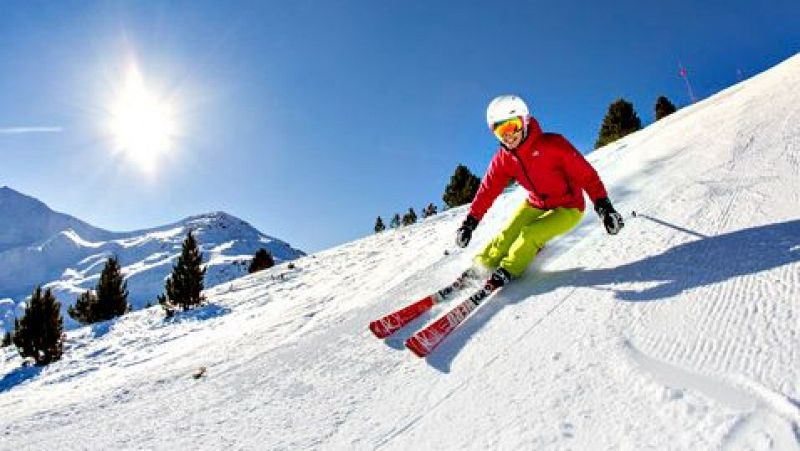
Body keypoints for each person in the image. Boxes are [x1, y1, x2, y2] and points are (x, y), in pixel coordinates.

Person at [456, 95, 624, 289]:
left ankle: (510, 268)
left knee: (531, 233)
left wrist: (605, 207)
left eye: (512, 126)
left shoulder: (553, 145)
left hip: (568, 207)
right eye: (500, 131)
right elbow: (487, 191)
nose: (508, 135)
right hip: (536, 203)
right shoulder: (503, 159)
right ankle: (482, 265)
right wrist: (470, 222)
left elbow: (587, 176)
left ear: (524, 121)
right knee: (508, 232)